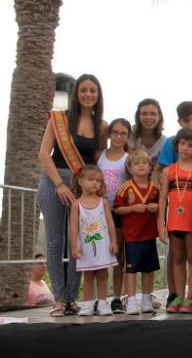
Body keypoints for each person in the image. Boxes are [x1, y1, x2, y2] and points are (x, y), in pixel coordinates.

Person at [37, 73, 106, 316]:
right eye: (83, 90)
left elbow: (100, 161)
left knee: (79, 241)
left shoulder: (102, 126)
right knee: (56, 242)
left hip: (82, 186)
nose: (88, 94)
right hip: (54, 181)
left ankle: (72, 299)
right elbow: (44, 154)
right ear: (76, 93)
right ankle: (59, 299)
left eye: (93, 91)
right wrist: (59, 184)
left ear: (98, 95)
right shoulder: (59, 119)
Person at [158, 128, 192, 314]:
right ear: (177, 144)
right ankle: (179, 296)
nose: (185, 148)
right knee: (178, 259)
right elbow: (163, 199)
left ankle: (191, 297)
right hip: (174, 222)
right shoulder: (168, 171)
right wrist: (161, 225)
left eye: (190, 145)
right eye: (182, 143)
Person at [113, 151, 160, 315]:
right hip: (132, 236)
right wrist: (132, 208)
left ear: (150, 167)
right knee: (131, 269)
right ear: (130, 168)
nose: (141, 166)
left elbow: (160, 206)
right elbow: (117, 209)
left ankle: (146, 298)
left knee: (149, 269)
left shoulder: (154, 188)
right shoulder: (126, 187)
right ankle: (131, 299)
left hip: (149, 234)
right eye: (136, 163)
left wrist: (157, 207)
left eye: (144, 163)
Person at [69, 165, 118, 316]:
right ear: (80, 181)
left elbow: (110, 223)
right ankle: (88, 304)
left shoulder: (103, 202)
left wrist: (114, 241)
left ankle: (103, 302)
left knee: (103, 273)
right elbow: (73, 228)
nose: (95, 183)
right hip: (86, 248)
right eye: (91, 180)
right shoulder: (76, 204)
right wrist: (74, 247)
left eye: (98, 180)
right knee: (88, 275)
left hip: (103, 245)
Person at [98, 117, 130, 313]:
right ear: (109, 134)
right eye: (115, 132)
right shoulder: (99, 156)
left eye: (123, 133)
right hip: (99, 211)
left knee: (118, 255)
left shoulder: (128, 158)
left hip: (119, 211)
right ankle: (97, 298)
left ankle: (117, 297)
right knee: (98, 254)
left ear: (128, 136)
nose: (118, 136)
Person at [129, 98, 165, 176]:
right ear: (138, 116)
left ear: (159, 116)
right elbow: (129, 163)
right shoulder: (131, 138)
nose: (148, 117)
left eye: (153, 114)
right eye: (144, 114)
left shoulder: (165, 141)